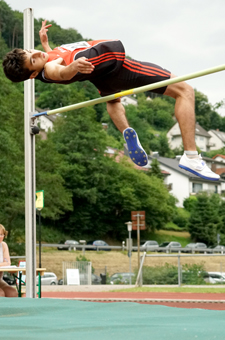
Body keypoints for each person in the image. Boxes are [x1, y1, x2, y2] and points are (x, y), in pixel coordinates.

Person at [2, 21, 219, 181]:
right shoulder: (49, 69)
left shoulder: (44, 61)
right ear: (32, 75)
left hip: (101, 73)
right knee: (185, 90)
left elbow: (52, 59)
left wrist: (45, 45)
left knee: (113, 99)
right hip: (112, 63)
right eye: (33, 59)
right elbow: (60, 71)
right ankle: (191, 155)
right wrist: (73, 68)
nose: (37, 54)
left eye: (31, 50)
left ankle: (126, 131)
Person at [0, 224, 18, 297]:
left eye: (1, 234)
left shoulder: (3, 245)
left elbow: (8, 263)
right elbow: (5, 263)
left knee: (12, 293)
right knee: (0, 293)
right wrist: (2, 264)